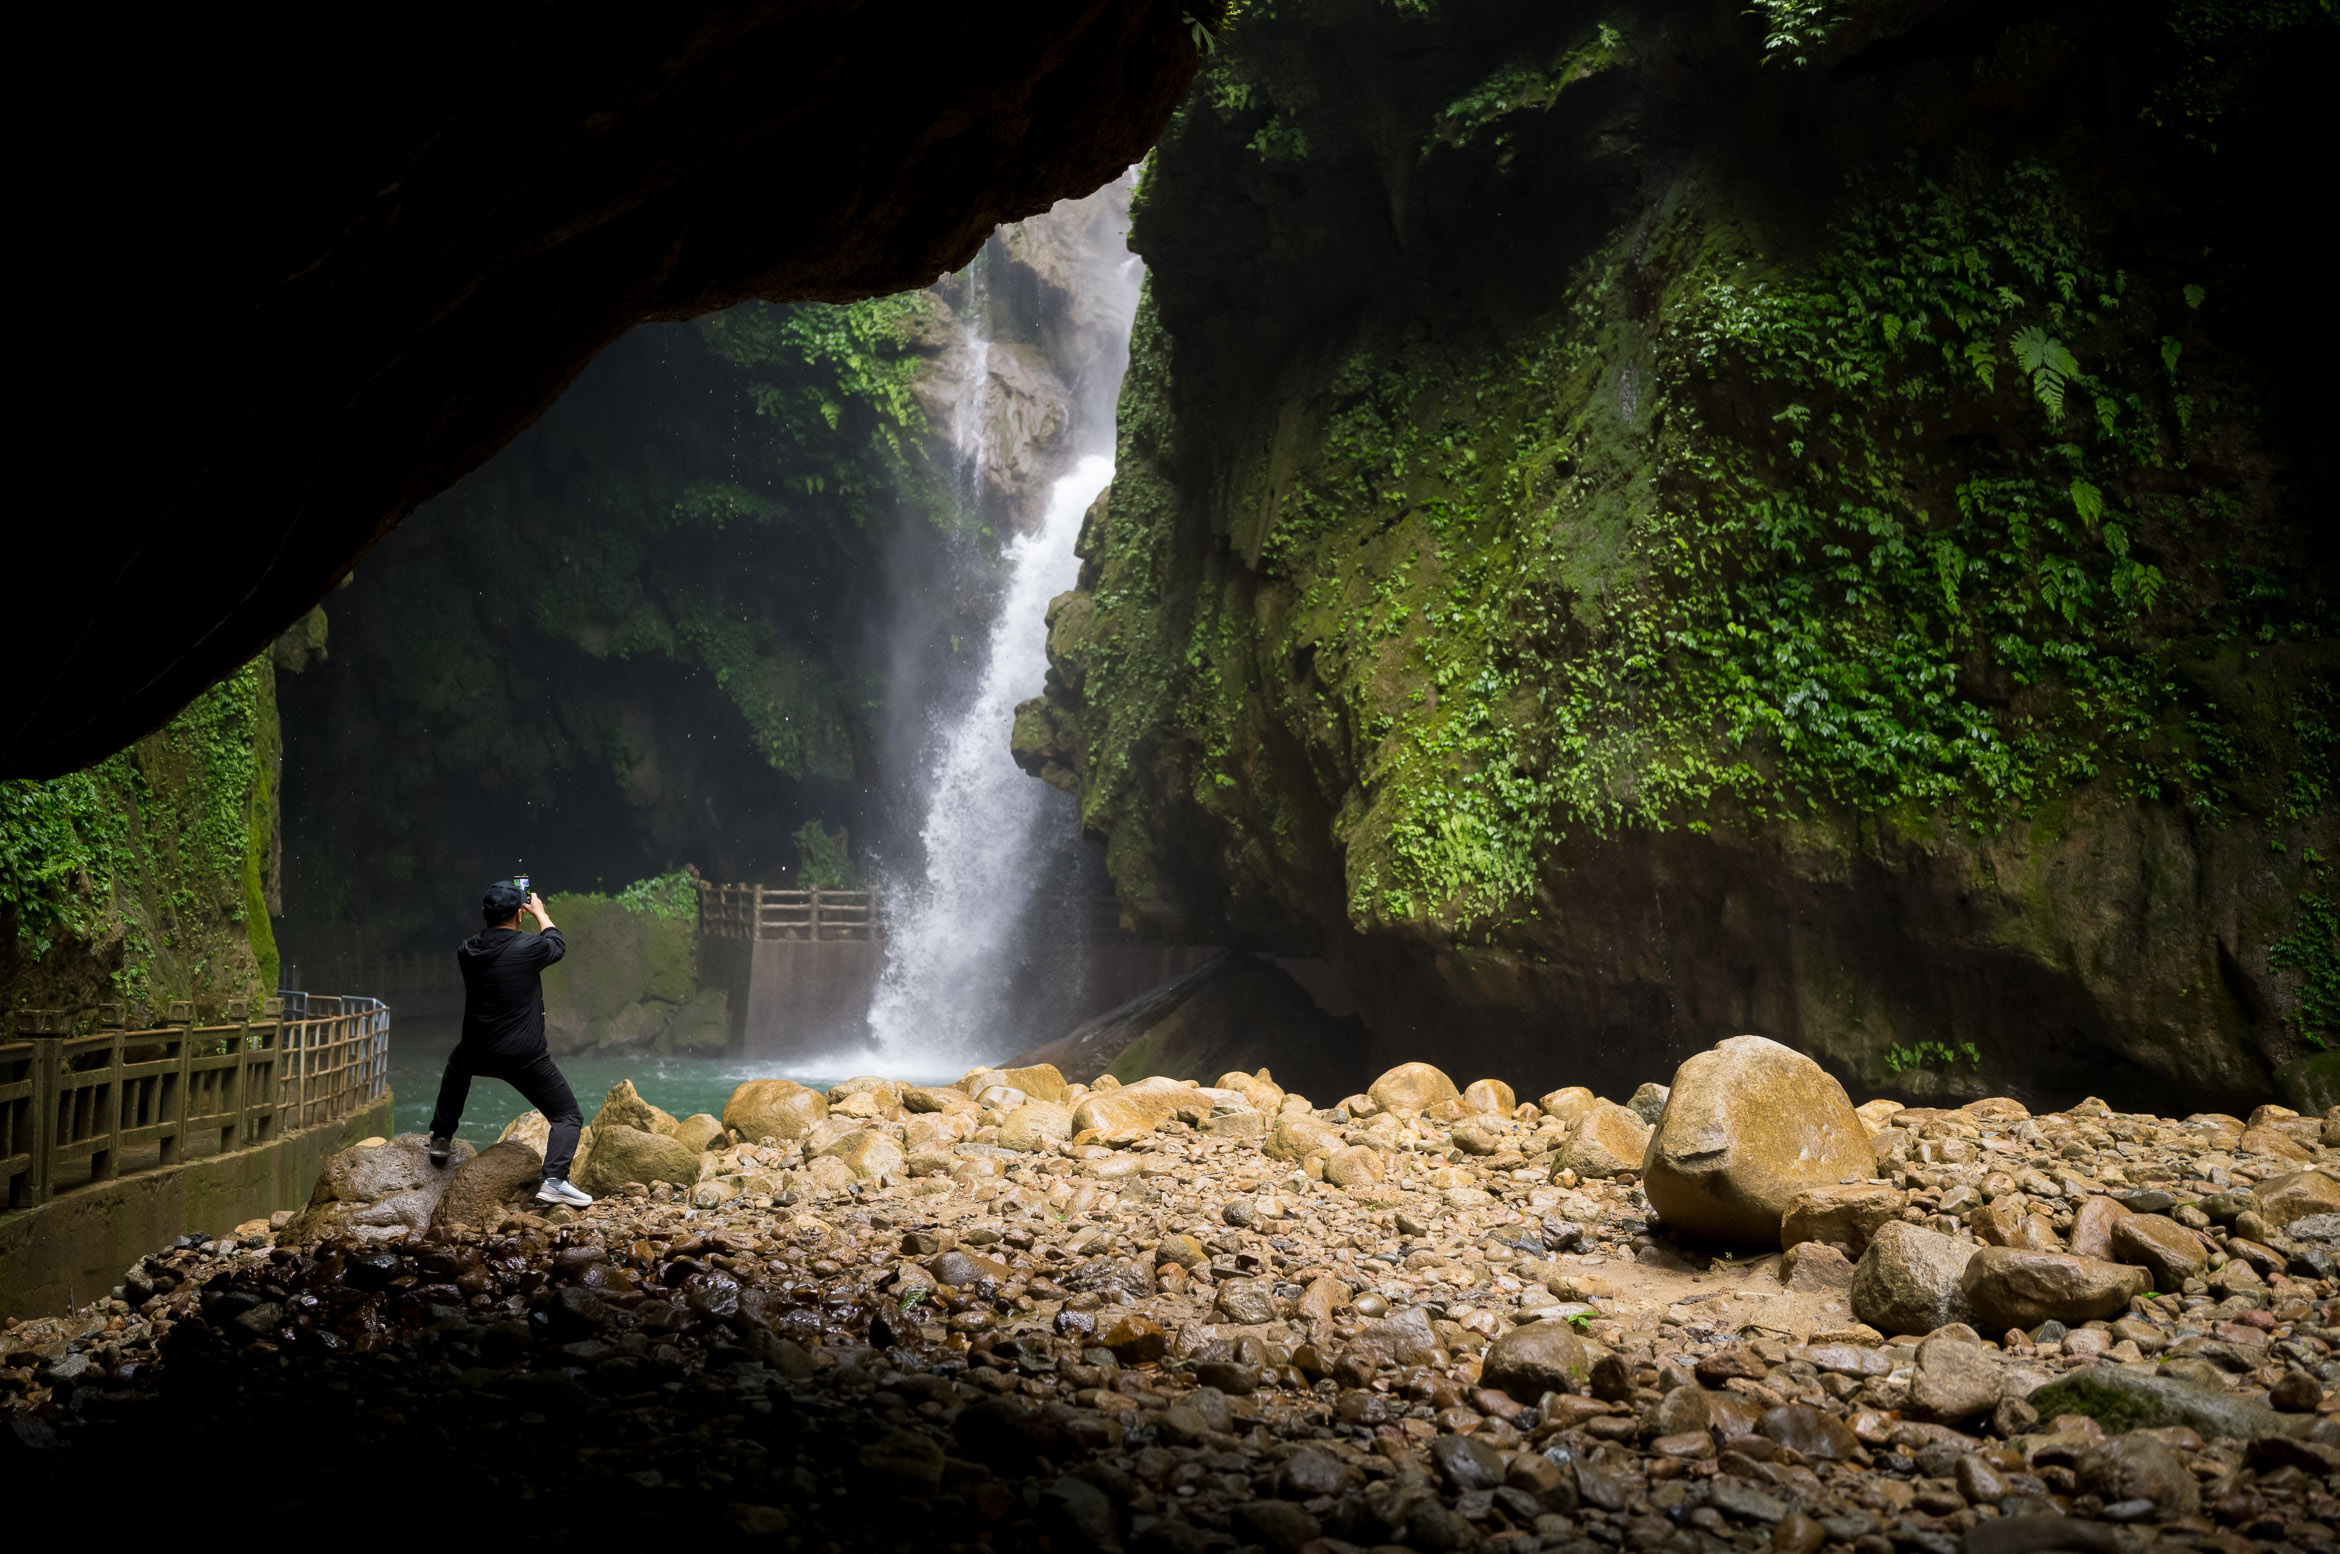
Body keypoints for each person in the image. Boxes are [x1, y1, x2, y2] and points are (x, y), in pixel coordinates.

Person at [428, 880, 592, 1207]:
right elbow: (556, 943)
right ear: (520, 914)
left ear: (483, 913)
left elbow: (500, 944)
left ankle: (441, 1138)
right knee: (567, 1116)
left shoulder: (467, 950)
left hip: (477, 1050)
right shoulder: (529, 948)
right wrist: (541, 913)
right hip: (523, 1056)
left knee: (456, 1065)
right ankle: (555, 1180)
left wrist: (518, 915)